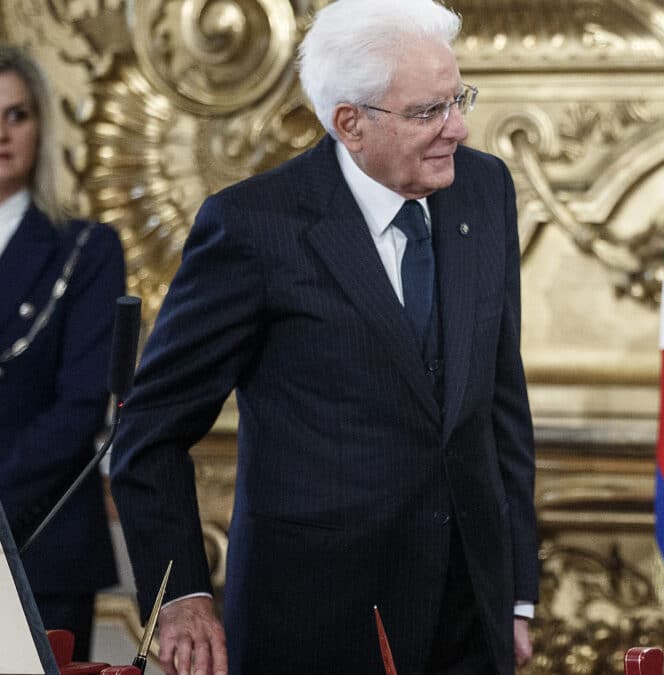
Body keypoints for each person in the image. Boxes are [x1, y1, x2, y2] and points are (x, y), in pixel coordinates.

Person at [108, 1, 538, 673]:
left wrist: (516, 594)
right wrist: (183, 594)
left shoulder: (486, 189)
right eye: (429, 111)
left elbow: (499, 401)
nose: (458, 126)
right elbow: (149, 432)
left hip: (467, 615)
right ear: (351, 123)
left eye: (458, 99)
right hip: (316, 620)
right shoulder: (254, 227)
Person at [0, 44, 125, 662]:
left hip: (40, 544)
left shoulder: (87, 248)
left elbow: (81, 407)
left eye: (16, 115)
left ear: (40, 125)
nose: (1, 133)